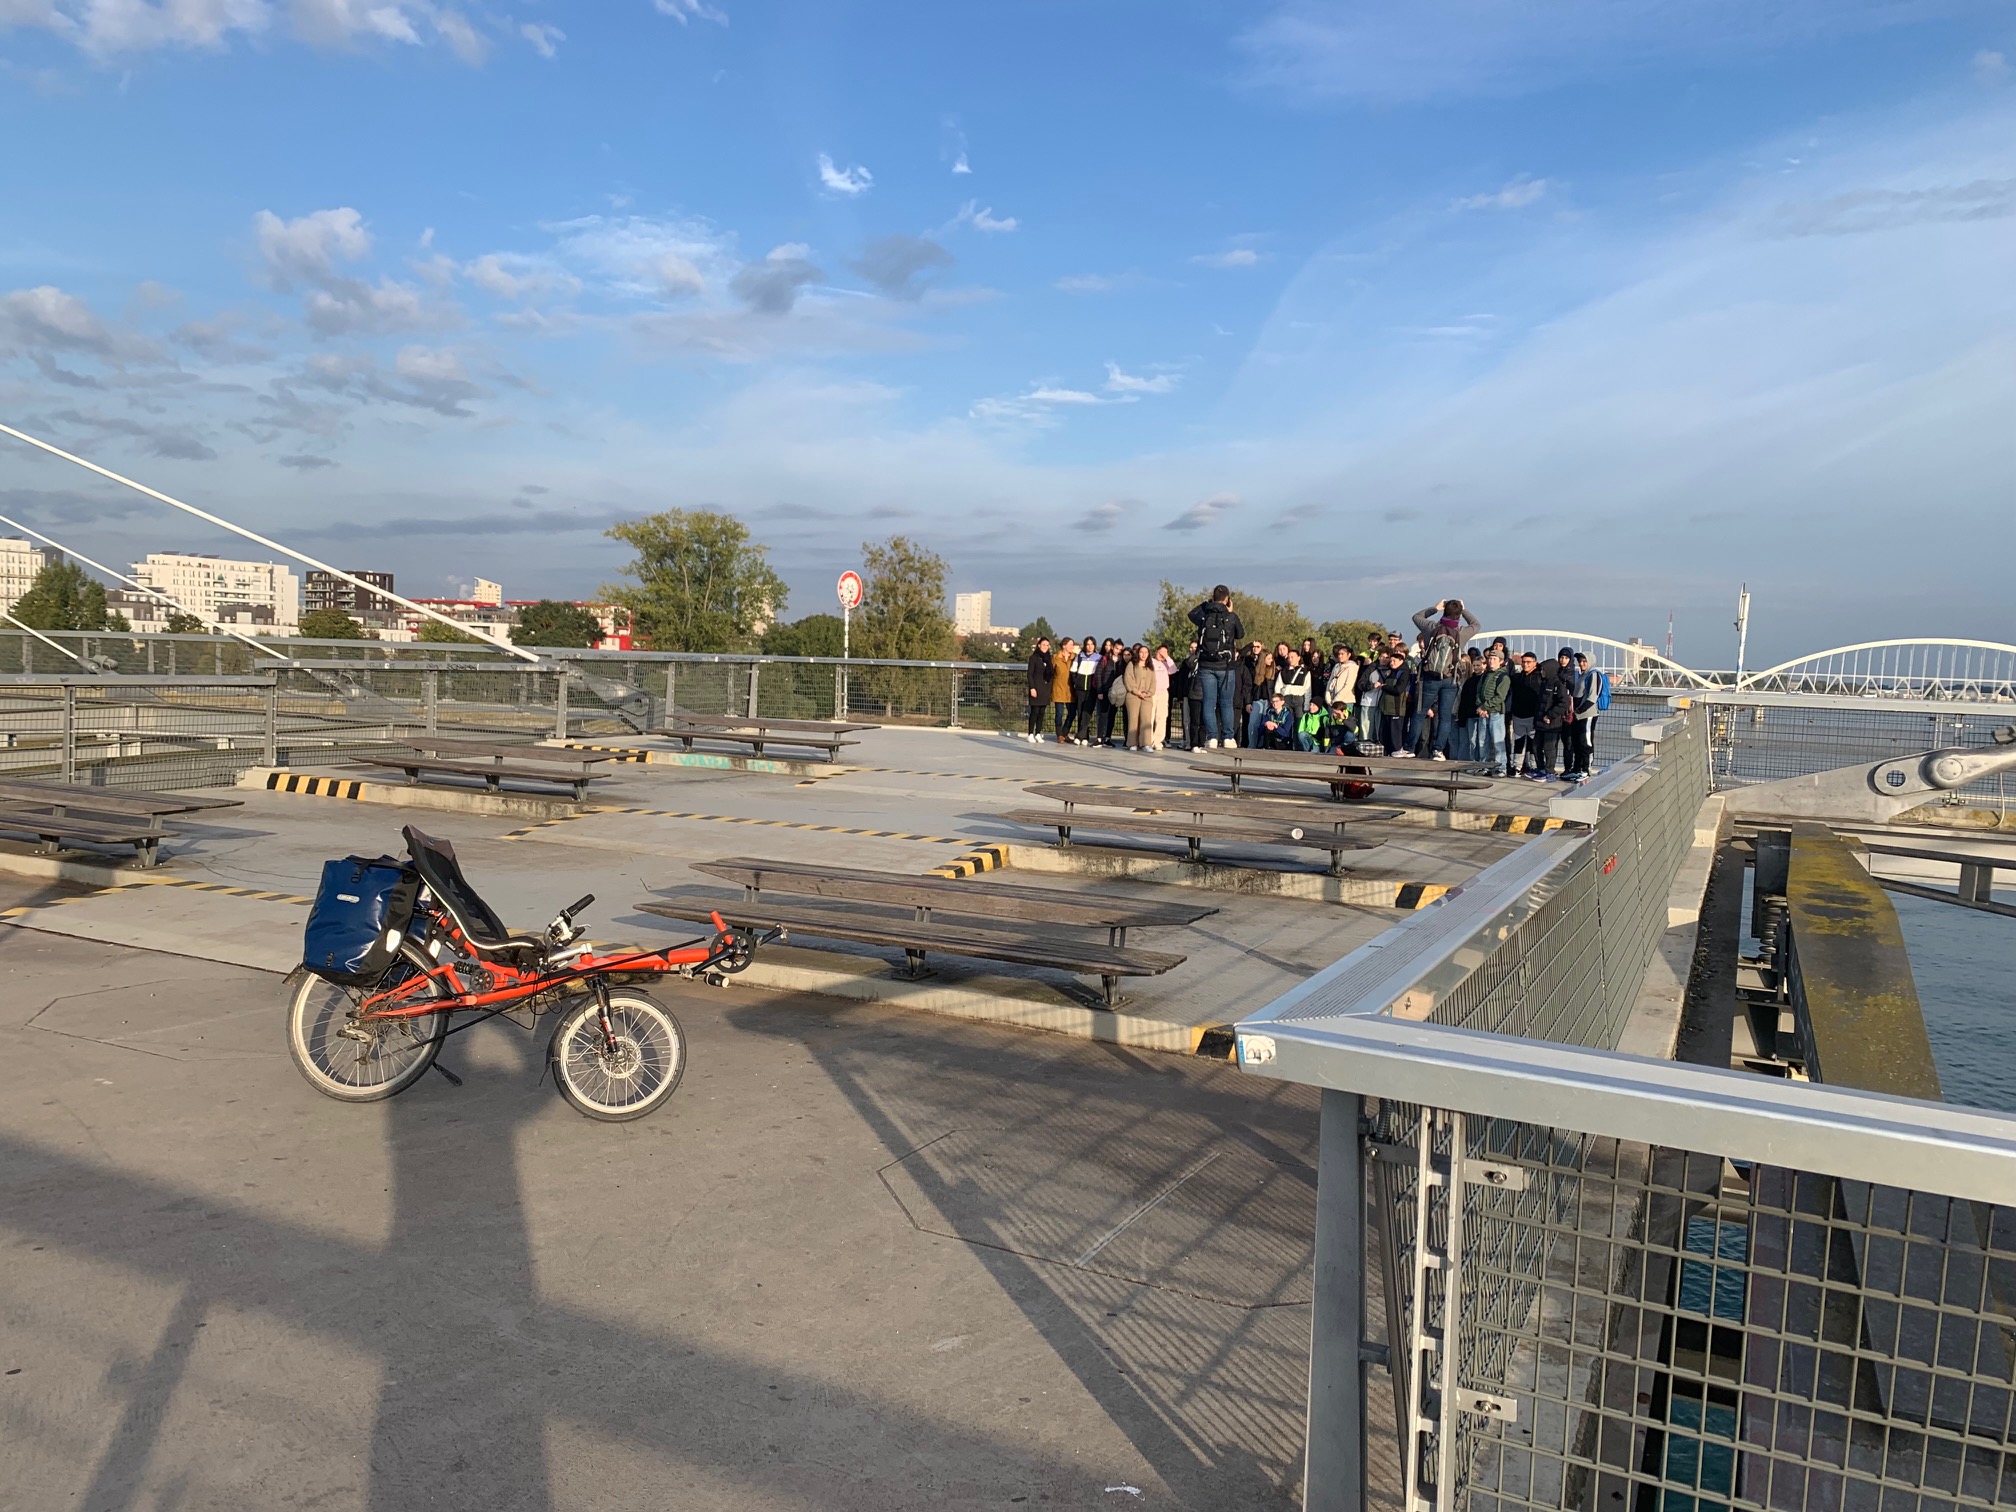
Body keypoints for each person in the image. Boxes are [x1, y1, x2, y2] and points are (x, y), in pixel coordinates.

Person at [1410, 598, 1482, 763]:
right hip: (1450, 679)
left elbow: (1416, 616)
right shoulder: (1462, 632)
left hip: (1430, 677)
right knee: (1445, 717)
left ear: (1444, 611)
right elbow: (1476, 624)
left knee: (1420, 714)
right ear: (1459, 614)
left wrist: (1434, 608)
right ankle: (1438, 751)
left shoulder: (1432, 628)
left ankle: (1408, 748)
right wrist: (1464, 609)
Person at [1186, 586, 1244, 750]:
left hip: (1206, 665)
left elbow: (1191, 614)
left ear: (1213, 597)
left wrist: (1207, 604)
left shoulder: (1204, 615)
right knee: (1226, 703)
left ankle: (1211, 737)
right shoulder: (1231, 616)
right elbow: (1240, 634)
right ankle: (1228, 737)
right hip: (1226, 666)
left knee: (1208, 703)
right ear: (1227, 599)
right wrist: (1229, 611)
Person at [1530, 646, 1577, 781]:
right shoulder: (1545, 682)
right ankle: (1541, 769)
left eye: (1566, 657)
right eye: (1561, 657)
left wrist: (1550, 715)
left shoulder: (1560, 683)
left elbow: (1564, 702)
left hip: (1555, 721)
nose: (1542, 672)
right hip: (1542, 721)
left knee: (1552, 746)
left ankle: (1552, 771)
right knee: (1536, 745)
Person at [1471, 649, 1511, 776]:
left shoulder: (1503, 677)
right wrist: (1480, 707)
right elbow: (1478, 692)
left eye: (1494, 659)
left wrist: (1485, 707)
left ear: (1501, 661)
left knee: (1498, 741)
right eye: (1489, 659)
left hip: (1496, 713)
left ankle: (1501, 767)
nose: (1490, 661)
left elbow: (1500, 697)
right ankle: (1485, 765)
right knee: (1482, 741)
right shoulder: (1485, 675)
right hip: (1484, 713)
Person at [1507, 651, 1542, 774]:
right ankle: (1517, 767)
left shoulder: (1539, 679)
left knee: (1533, 744)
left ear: (1535, 663)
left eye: (1529, 662)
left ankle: (1533, 766)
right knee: (1519, 743)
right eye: (1523, 662)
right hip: (1518, 716)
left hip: (1533, 717)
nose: (1525, 665)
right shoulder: (1517, 678)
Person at [1378, 652, 1414, 757]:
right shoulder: (1391, 672)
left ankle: (1398, 748)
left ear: (1401, 661)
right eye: (1391, 661)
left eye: (1394, 661)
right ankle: (1388, 751)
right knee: (1384, 731)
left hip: (1397, 708)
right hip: (1386, 707)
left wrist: (1384, 687)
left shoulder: (1404, 673)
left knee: (1395, 731)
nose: (1391, 663)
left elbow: (1398, 690)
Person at [1070, 635, 1103, 744]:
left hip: (1091, 689)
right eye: (1088, 644)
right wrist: (1076, 681)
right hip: (1080, 689)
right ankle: (1084, 736)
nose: (1090, 646)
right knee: (1080, 712)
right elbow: (1073, 671)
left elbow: (1100, 673)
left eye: (1092, 644)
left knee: (1087, 713)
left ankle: (1080, 736)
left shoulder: (1099, 658)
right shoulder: (1079, 657)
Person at [1122, 643, 1156, 750]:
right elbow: (1128, 680)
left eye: (1146, 652)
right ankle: (1132, 743)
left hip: (1147, 697)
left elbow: (1153, 682)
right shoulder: (1132, 665)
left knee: (1146, 720)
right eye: (1141, 652)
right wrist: (1137, 692)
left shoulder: (1150, 667)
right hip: (1133, 696)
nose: (1143, 654)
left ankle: (1146, 743)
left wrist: (1148, 693)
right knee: (1133, 719)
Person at [1245, 649, 1279, 750]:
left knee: (1265, 723)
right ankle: (1252, 745)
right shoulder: (1254, 671)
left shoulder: (1274, 672)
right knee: (1253, 723)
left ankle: (1262, 745)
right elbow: (1249, 688)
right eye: (1268, 658)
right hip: (1257, 700)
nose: (1271, 660)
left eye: (1271, 658)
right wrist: (1248, 702)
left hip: (1269, 701)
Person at [1094, 638, 1124, 746]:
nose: (1118, 651)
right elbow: (1098, 674)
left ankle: (1107, 738)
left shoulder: (1122, 661)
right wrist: (1100, 690)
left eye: (1120, 649)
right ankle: (1099, 738)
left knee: (1112, 715)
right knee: (1103, 715)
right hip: (1105, 690)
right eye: (1116, 648)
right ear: (1113, 647)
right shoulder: (1105, 659)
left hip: (1116, 692)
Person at [1325, 645, 1360, 737]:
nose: (1340, 656)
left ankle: (1345, 744)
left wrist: (1337, 699)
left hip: (1346, 701)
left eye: (1342, 654)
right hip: (1332, 701)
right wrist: (1328, 697)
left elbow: (1348, 685)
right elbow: (1330, 682)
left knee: (1344, 723)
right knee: (1333, 723)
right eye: (1339, 654)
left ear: (1348, 655)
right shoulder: (1337, 666)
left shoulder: (1353, 667)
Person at [1022, 635, 1052, 742]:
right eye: (1043, 645)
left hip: (1045, 688)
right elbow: (1030, 674)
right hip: (1036, 687)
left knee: (1042, 712)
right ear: (1039, 645)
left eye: (1047, 645)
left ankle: (1038, 733)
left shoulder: (1049, 658)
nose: (1045, 647)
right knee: (1034, 711)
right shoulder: (1034, 657)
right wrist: (1032, 688)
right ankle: (1030, 733)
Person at [1050, 638, 1077, 742]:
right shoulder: (1056, 658)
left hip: (1071, 690)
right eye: (1070, 645)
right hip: (1058, 689)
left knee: (1072, 713)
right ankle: (1059, 734)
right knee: (1059, 713)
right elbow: (1051, 673)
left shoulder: (1075, 657)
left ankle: (1065, 733)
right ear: (1064, 646)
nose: (1072, 647)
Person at [1150, 644, 1176, 751]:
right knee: (1150, 717)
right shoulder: (1151, 662)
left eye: (1164, 653)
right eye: (1160, 652)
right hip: (1152, 692)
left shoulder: (1166, 664)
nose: (1161, 655)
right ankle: (1149, 740)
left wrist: (1167, 658)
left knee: (1161, 717)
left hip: (1163, 693)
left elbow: (1174, 670)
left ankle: (1158, 740)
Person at [1275, 648, 1313, 721]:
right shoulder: (1283, 671)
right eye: (1289, 657)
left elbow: (1308, 690)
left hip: (1299, 699)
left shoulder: (1306, 672)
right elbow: (1278, 687)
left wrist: (1306, 706)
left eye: (1292, 657)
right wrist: (1279, 701)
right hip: (1286, 699)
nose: (1290, 659)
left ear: (1298, 658)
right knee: (1286, 720)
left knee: (1299, 721)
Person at [1179, 640, 1203, 750]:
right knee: (1187, 720)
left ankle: (1198, 741)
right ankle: (1187, 740)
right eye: (1191, 647)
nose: (1193, 649)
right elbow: (1182, 679)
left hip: (1199, 693)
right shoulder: (1187, 662)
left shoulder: (1203, 661)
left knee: (1198, 720)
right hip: (1187, 693)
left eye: (1195, 647)